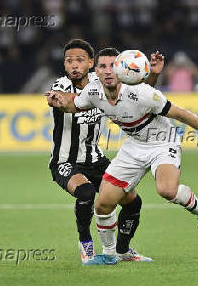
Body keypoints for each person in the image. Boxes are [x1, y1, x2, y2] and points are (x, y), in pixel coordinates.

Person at [47, 48, 198, 265]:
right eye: (103, 66)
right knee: (103, 205)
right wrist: (60, 102)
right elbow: (74, 104)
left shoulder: (142, 93)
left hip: (162, 142)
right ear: (96, 71)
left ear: (121, 70)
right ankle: (110, 255)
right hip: (134, 146)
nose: (108, 71)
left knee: (166, 190)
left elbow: (181, 113)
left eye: (113, 66)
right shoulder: (93, 92)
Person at [48, 39, 164, 263]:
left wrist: (153, 76)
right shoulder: (61, 85)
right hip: (65, 161)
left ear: (91, 63)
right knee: (86, 193)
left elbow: (138, 92)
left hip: (96, 159)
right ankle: (86, 243)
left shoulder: (100, 83)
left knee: (133, 201)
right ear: (64, 65)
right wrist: (56, 101)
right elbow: (60, 98)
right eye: (69, 61)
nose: (74, 65)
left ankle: (123, 249)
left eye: (79, 60)